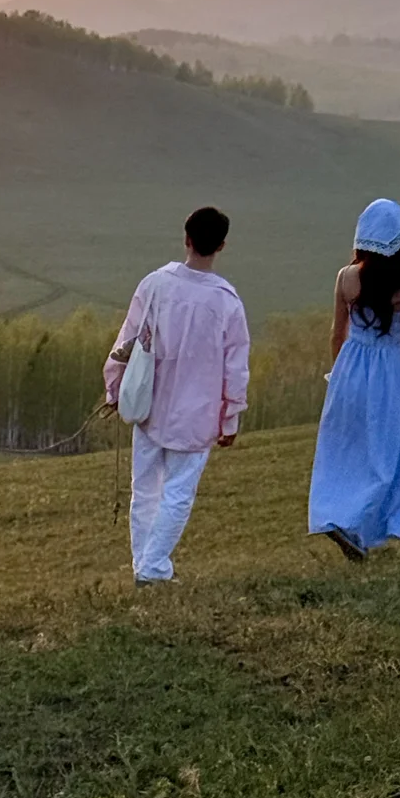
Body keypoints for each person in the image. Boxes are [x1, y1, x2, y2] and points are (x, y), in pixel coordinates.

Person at [104, 207, 250, 585]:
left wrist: (114, 387)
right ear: (221, 245)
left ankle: (145, 566)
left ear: (186, 238)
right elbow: (236, 368)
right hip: (197, 414)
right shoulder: (227, 302)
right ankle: (152, 568)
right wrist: (230, 417)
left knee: (144, 491)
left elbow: (127, 340)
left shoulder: (155, 284)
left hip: (148, 403)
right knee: (178, 493)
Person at [308, 198, 400, 563]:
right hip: (394, 371)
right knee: (386, 454)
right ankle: (361, 527)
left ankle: (338, 516)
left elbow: (337, 334)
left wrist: (341, 375)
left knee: (344, 449)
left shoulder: (347, 278)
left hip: (352, 367)